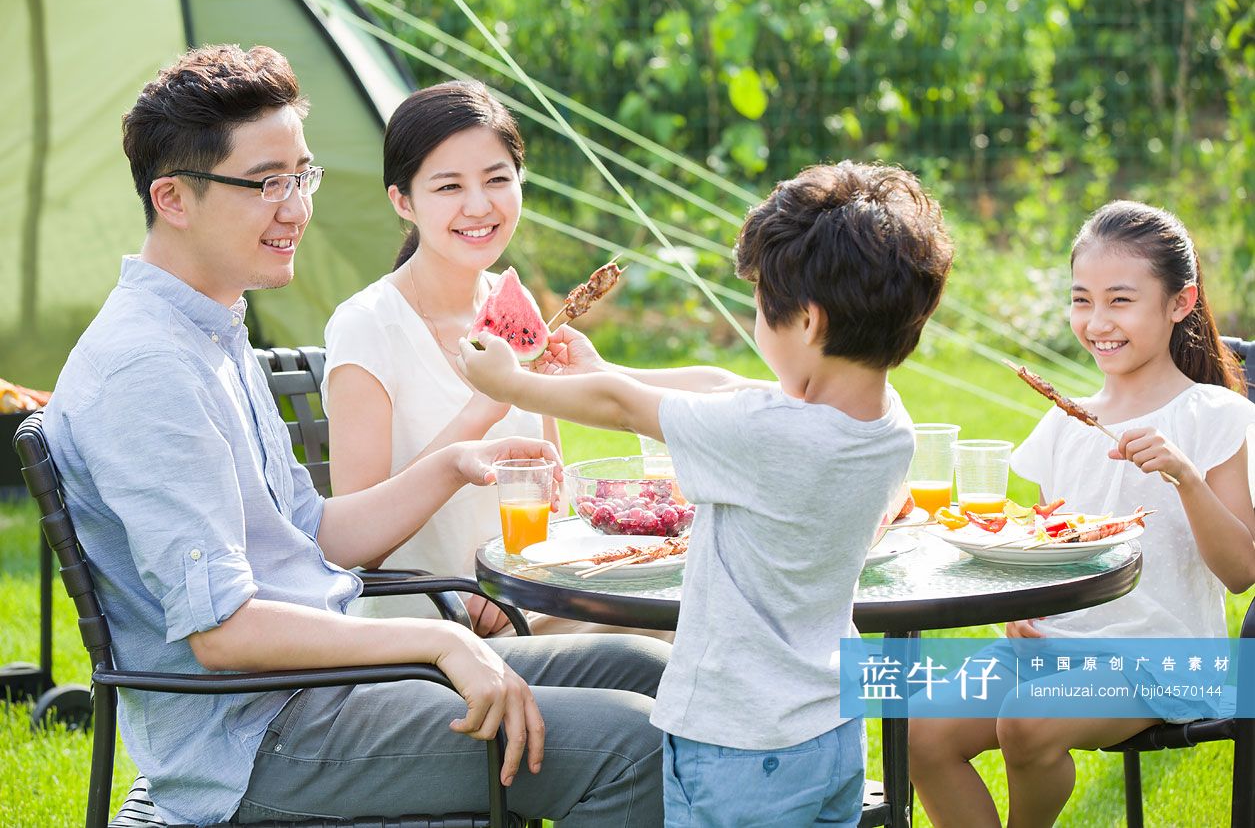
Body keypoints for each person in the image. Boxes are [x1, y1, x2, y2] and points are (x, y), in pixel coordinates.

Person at [42, 44, 667, 826]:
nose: (297, 207)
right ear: (173, 197)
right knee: (633, 744)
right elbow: (222, 633)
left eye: (302, 175)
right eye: (266, 182)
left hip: (329, 684)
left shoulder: (211, 328)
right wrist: (439, 643)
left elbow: (317, 533)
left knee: (649, 671)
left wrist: (451, 462)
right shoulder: (147, 369)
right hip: (262, 735)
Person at [459, 161, 954, 826]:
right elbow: (726, 389)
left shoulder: (765, 439)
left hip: (737, 747)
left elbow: (625, 408)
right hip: (830, 732)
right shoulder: (887, 423)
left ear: (806, 321)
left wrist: (512, 384)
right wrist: (606, 368)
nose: (754, 313)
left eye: (759, 301)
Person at [909, 200, 1255, 828]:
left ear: (1180, 303)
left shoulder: (1214, 415)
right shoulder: (1064, 423)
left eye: (1121, 300)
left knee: (1027, 720)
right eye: (1081, 300)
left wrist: (1185, 477)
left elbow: (1241, 572)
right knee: (922, 733)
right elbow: (1047, 543)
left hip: (1161, 656)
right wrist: (1022, 605)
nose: (1098, 322)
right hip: (1053, 648)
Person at [323, 80, 555, 634]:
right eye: (448, 186)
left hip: (535, 608)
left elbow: (553, 487)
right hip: (430, 632)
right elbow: (356, 551)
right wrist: (482, 408)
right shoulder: (367, 327)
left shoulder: (514, 308)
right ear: (403, 201)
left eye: (498, 179)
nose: (479, 206)